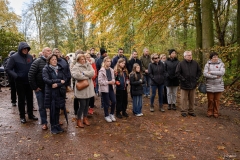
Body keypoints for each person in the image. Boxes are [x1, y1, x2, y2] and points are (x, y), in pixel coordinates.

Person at [5, 42, 38, 123]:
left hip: (29, 81)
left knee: (30, 99)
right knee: (21, 99)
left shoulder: (30, 57)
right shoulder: (14, 57)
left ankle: (30, 114)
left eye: (27, 49)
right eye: (24, 48)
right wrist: (16, 76)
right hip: (19, 82)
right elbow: (8, 68)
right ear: (20, 49)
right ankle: (22, 116)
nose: (25, 50)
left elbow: (33, 68)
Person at [42, 53, 67, 134]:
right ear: (49, 61)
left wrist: (57, 84)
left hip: (59, 92)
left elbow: (64, 80)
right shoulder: (46, 69)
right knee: (52, 110)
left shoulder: (60, 68)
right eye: (52, 59)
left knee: (57, 109)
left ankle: (57, 125)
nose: (54, 61)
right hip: (51, 93)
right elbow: (46, 80)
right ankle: (53, 127)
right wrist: (58, 81)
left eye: (55, 59)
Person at [28, 47, 52, 130]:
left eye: (50, 51)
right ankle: (44, 122)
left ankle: (54, 121)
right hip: (40, 89)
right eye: (48, 51)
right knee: (42, 106)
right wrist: (35, 87)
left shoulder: (52, 61)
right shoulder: (37, 62)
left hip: (50, 88)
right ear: (43, 52)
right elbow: (31, 75)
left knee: (52, 105)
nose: (49, 52)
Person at [71, 54, 95, 128]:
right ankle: (79, 120)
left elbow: (93, 73)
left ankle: (85, 118)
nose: (83, 60)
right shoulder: (76, 67)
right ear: (78, 60)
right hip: (81, 89)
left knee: (87, 105)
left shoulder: (88, 65)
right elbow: (76, 76)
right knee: (82, 105)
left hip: (89, 88)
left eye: (84, 59)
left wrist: (84, 73)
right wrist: (88, 75)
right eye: (81, 59)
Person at [176, 51, 201, 117]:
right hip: (184, 84)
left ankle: (191, 111)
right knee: (184, 99)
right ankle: (183, 111)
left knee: (192, 99)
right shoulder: (181, 64)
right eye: (188, 55)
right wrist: (183, 79)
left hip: (193, 84)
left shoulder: (195, 63)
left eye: (190, 55)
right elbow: (177, 73)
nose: (190, 56)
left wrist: (196, 78)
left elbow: (199, 71)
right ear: (185, 56)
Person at [203, 52, 225, 118]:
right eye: (214, 57)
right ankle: (209, 111)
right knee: (210, 100)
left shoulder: (221, 64)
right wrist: (215, 76)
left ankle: (216, 112)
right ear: (211, 58)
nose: (215, 58)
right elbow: (205, 74)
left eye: (216, 57)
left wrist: (211, 72)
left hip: (219, 85)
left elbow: (222, 72)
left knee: (217, 100)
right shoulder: (207, 65)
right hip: (209, 85)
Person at [98, 57, 116, 122]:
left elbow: (113, 78)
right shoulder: (101, 70)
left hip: (111, 87)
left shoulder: (111, 70)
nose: (109, 62)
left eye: (110, 61)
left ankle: (111, 114)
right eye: (108, 61)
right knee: (106, 103)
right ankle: (106, 115)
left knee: (114, 101)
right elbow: (100, 81)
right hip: (105, 88)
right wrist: (108, 82)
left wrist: (113, 81)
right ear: (104, 62)